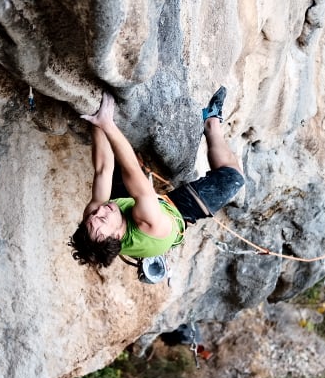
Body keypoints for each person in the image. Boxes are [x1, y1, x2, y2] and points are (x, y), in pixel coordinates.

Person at [69, 87, 245, 268]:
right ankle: (211, 123)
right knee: (234, 178)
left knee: (119, 166)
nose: (99, 211)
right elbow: (133, 171)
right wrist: (109, 125)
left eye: (94, 215)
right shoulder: (148, 222)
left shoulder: (94, 225)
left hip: (129, 207)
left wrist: (98, 119)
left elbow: (103, 169)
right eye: (102, 218)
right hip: (175, 212)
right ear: (115, 236)